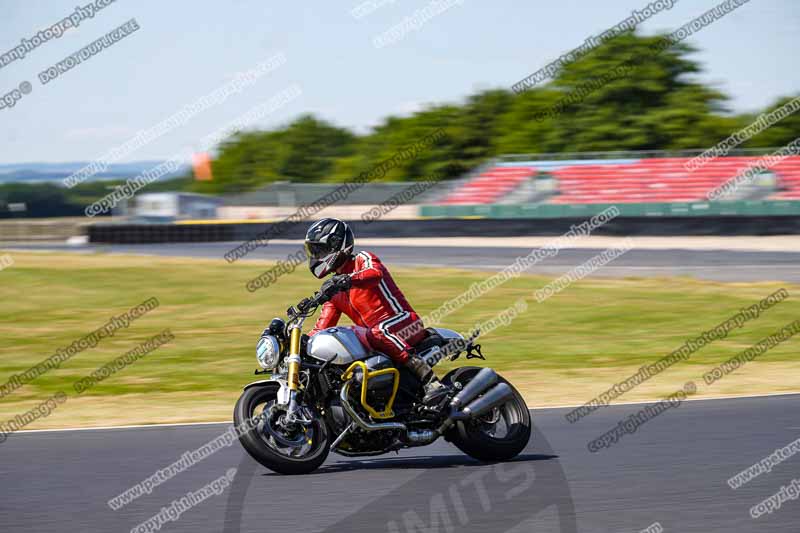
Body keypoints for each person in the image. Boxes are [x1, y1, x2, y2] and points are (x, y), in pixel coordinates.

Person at [304, 217, 449, 406]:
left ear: (336, 245)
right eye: (314, 251)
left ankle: (430, 381)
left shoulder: (363, 259)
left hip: (405, 322)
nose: (317, 255)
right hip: (377, 338)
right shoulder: (335, 291)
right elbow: (322, 328)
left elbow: (374, 274)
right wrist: (303, 343)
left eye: (320, 250)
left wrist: (348, 279)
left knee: (376, 332)